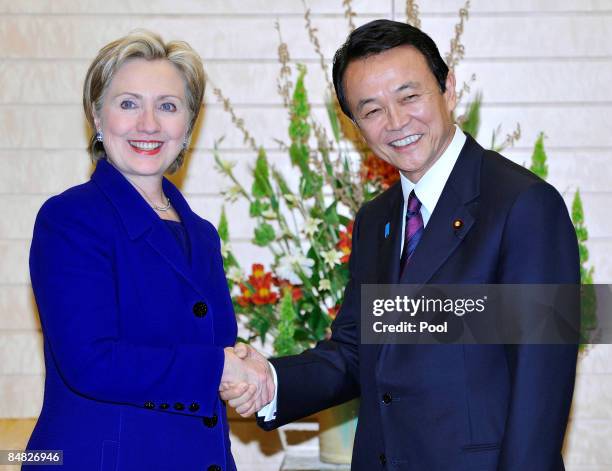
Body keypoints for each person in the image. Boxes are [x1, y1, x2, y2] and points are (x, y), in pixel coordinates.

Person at [221, 19, 580, 470]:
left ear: (448, 89)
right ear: (355, 126)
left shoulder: (524, 205)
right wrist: (270, 380)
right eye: (371, 110)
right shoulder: (376, 220)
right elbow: (356, 351)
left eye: (409, 96)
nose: (395, 122)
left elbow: (541, 387)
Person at [25, 30, 272, 471]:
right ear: (97, 118)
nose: (149, 124)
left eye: (168, 106)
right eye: (128, 103)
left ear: (187, 126)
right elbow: (91, 361)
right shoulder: (70, 219)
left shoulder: (201, 234)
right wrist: (220, 369)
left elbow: (201, 358)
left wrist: (245, 373)